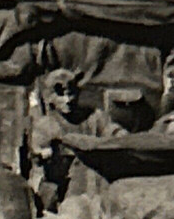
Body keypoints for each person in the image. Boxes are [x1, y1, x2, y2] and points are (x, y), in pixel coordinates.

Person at [30, 68, 121, 210]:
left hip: (96, 183)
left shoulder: (93, 117)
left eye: (71, 93)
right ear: (50, 98)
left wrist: (121, 136)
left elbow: (113, 131)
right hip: (64, 187)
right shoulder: (46, 125)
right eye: (60, 94)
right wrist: (44, 153)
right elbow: (38, 154)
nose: (68, 100)